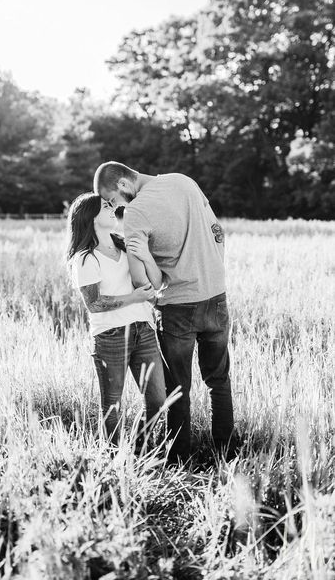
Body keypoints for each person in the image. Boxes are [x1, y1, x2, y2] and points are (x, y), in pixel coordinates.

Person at [93, 162, 235, 463]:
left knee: (177, 387)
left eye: (111, 201)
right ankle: (226, 452)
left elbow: (141, 281)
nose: (114, 208)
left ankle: (180, 459)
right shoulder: (184, 181)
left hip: (177, 306)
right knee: (219, 380)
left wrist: (155, 296)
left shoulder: (135, 213)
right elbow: (218, 232)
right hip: (216, 296)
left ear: (121, 185)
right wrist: (214, 270)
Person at [66, 192, 167, 449]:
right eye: (105, 207)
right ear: (91, 218)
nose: (112, 209)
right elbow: (95, 303)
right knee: (112, 406)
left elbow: (147, 282)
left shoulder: (123, 244)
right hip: (110, 335)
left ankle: (142, 451)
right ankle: (114, 459)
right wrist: (133, 298)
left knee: (157, 399)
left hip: (144, 330)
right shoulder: (86, 258)